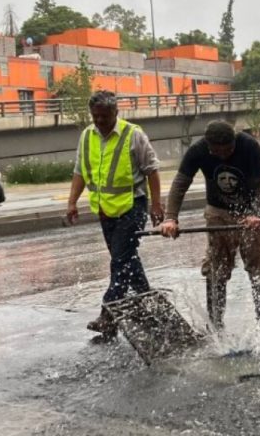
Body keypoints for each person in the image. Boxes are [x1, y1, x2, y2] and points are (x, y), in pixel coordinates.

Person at [159, 121, 260, 334]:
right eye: (216, 152)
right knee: (215, 268)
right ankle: (215, 324)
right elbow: (180, 184)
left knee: (259, 266)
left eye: (227, 151)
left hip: (251, 212)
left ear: (234, 142)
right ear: (208, 145)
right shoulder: (198, 150)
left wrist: (257, 214)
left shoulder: (249, 145)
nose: (222, 156)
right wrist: (170, 218)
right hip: (218, 212)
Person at [65, 90, 164, 338]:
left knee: (120, 260)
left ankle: (108, 315)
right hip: (104, 209)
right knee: (127, 260)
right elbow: (80, 171)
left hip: (133, 206)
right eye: (95, 116)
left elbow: (152, 170)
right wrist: (72, 202)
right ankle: (148, 304)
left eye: (104, 116)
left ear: (116, 113)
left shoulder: (133, 134)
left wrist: (156, 205)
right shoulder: (87, 136)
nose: (99, 121)